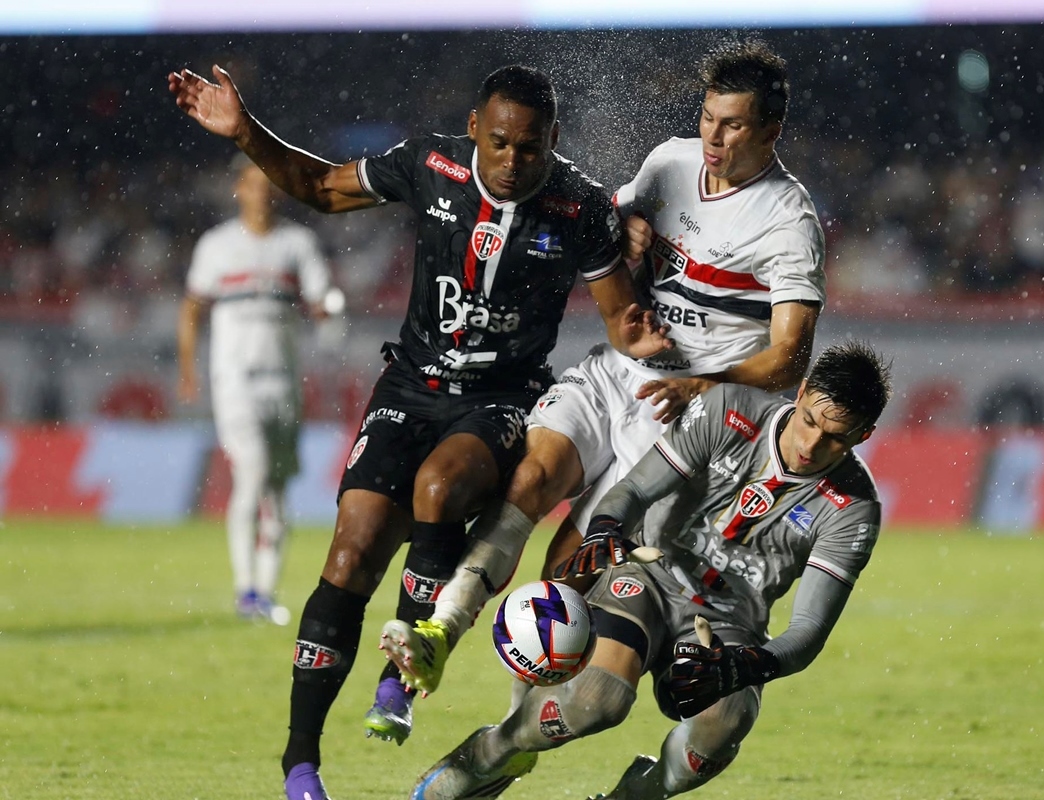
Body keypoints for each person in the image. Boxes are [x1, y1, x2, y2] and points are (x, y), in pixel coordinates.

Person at [168, 63, 671, 800]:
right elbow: (320, 188)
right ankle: (300, 764)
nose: (511, 160)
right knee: (352, 549)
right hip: (409, 385)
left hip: (502, 397)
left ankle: (401, 673)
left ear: (551, 142)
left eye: (529, 148)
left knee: (441, 485)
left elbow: (619, 319)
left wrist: (651, 334)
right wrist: (245, 132)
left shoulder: (580, 208)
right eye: (498, 142)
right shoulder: (428, 164)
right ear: (474, 129)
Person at [385, 40, 826, 708]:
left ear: (771, 130)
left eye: (734, 124)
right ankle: (439, 635)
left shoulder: (789, 220)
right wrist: (630, 225)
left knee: (569, 562)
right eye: (709, 117)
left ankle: (516, 729)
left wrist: (705, 387)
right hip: (619, 372)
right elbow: (597, 229)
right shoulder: (670, 161)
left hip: (686, 418)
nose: (714, 135)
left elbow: (791, 356)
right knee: (528, 481)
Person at [408, 340, 892, 800]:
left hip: (726, 623)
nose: (811, 444)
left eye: (835, 438)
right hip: (647, 577)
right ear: (802, 391)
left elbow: (808, 630)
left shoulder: (854, 508)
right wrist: (604, 529)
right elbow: (633, 491)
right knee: (597, 700)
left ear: (863, 436)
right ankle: (493, 751)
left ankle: (642, 791)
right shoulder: (729, 410)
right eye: (809, 421)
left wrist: (747, 665)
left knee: (725, 721)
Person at [177, 156, 336, 624]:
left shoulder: (297, 244)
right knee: (253, 473)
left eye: (268, 185)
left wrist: (330, 314)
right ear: (238, 190)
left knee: (279, 490)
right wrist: (188, 369)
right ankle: (246, 590)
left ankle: (264, 594)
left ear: (278, 192)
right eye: (252, 183)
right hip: (235, 381)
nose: (261, 193)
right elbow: (191, 308)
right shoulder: (218, 245)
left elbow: (321, 303)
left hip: (283, 382)